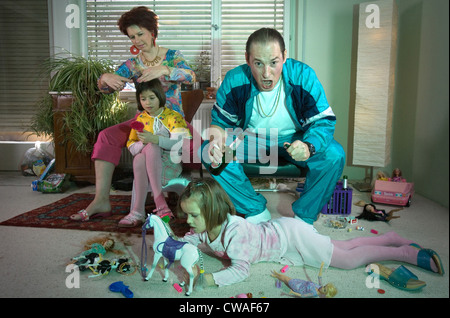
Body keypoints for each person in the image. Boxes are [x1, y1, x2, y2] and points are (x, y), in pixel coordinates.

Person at [177, 179, 444, 289]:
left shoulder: (234, 232)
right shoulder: (203, 229)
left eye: (193, 215)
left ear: (212, 212)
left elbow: (241, 270)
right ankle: (390, 238)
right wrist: (172, 245)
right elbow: (191, 240)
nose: (188, 221)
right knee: (342, 246)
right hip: (284, 235)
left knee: (347, 260)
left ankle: (405, 253)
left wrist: (211, 279)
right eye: (187, 215)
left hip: (291, 238)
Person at [202, 28, 345, 226]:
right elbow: (220, 123)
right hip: (250, 141)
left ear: (284, 57)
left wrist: (308, 146)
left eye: (274, 63)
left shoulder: (303, 76)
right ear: (247, 59)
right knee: (207, 151)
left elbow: (323, 122)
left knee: (334, 154)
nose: (266, 73)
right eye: (258, 63)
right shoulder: (235, 79)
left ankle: (304, 218)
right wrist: (217, 142)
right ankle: (254, 209)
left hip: (295, 139)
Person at [70, 6, 195, 222]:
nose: (137, 40)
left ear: (152, 32)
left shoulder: (172, 56)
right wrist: (104, 78)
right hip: (143, 121)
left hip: (171, 121)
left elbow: (191, 76)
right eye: (132, 36)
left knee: (199, 146)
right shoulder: (132, 64)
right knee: (106, 136)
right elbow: (107, 86)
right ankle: (101, 200)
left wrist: (165, 70)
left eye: (140, 34)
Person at [120, 79, 190, 227]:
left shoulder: (173, 117)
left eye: (152, 98)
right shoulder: (141, 119)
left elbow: (181, 143)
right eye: (143, 99)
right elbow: (131, 146)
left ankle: (142, 209)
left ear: (160, 96)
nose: (147, 103)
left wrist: (155, 140)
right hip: (145, 166)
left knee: (151, 148)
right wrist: (145, 143)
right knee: (140, 157)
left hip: (170, 165)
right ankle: (155, 206)